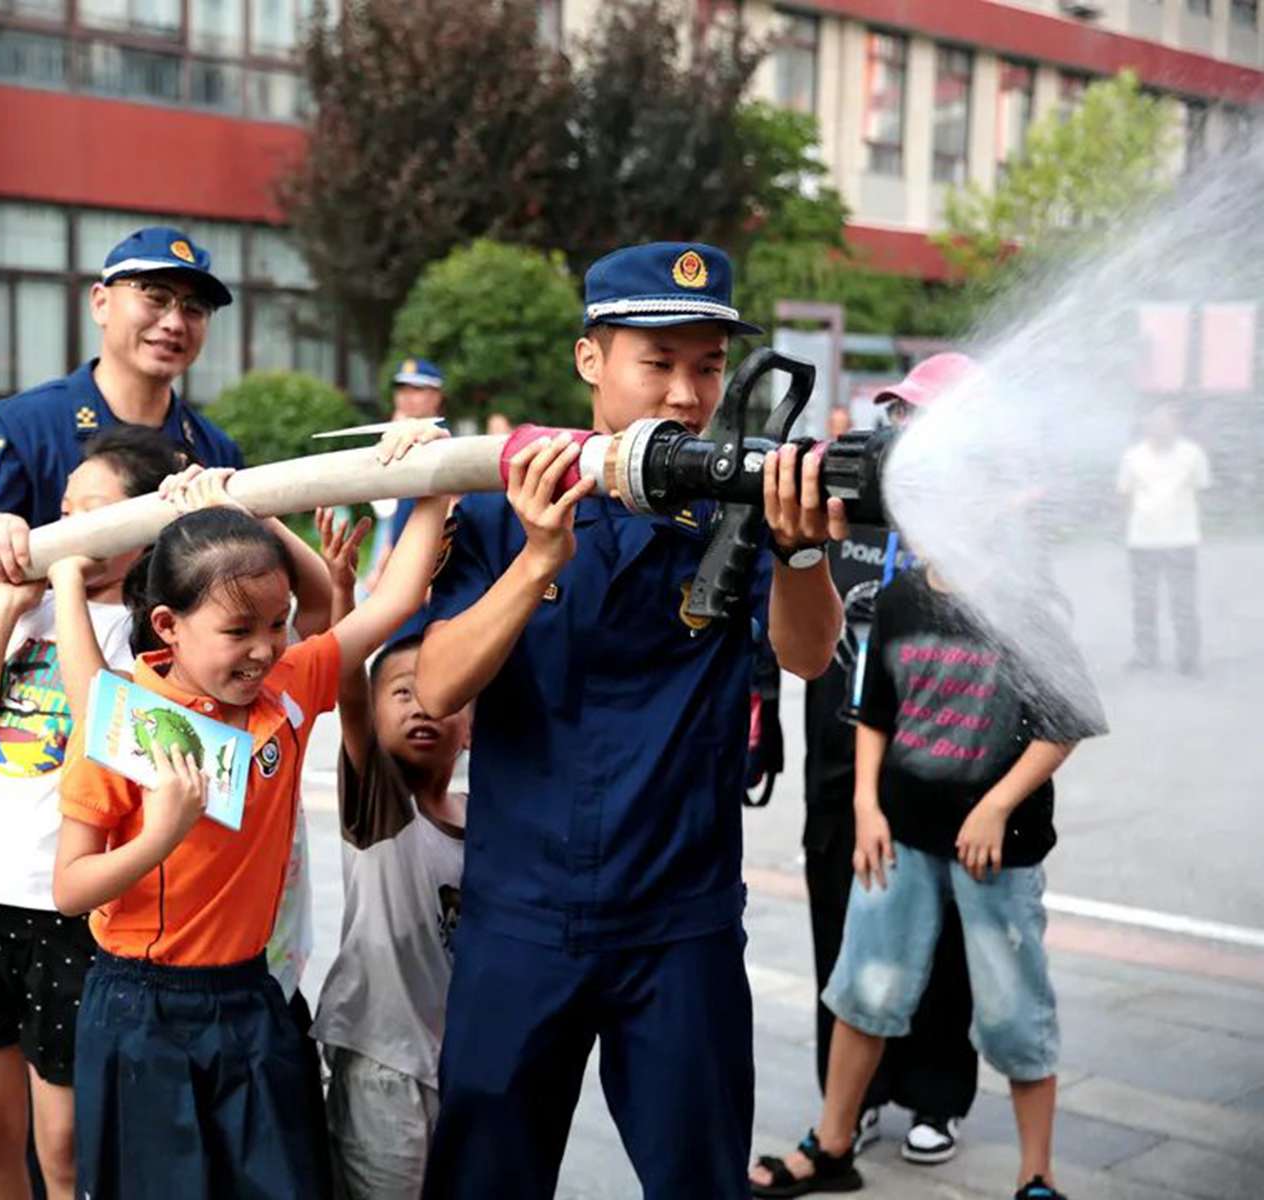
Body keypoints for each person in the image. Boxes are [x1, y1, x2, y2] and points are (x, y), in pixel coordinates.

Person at [407, 241, 846, 1197]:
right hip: (520, 915)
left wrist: (803, 555)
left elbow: (811, 656)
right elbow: (433, 688)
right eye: (660, 362)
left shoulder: (740, 498)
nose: (687, 393)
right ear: (590, 361)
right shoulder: (504, 500)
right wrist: (536, 560)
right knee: (485, 1176)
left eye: (709, 365)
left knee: (699, 1176)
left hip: (678, 920)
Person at [54, 428, 452, 1199]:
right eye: (238, 632)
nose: (266, 650)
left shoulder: (290, 689)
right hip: (141, 1007)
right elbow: (71, 889)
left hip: (251, 996)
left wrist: (431, 474)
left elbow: (397, 599)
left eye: (275, 626)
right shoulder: (123, 720)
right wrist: (161, 836)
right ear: (168, 626)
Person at [749, 558, 1106, 1200]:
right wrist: (866, 804)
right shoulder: (900, 598)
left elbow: (1066, 720)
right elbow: (875, 711)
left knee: (1013, 1013)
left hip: (998, 851)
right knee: (866, 991)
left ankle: (1037, 1176)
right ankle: (833, 1145)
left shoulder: (1023, 597)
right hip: (900, 837)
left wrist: (997, 807)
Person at [0, 429, 182, 1199]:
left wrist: (63, 584)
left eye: (90, 513)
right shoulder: (26, 616)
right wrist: (3, 611)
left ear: (140, 527)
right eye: (61, 510)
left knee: (65, 1148)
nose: (63, 526)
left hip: (68, 909)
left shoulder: (151, 634)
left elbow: (104, 721)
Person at [795, 356, 983, 1170]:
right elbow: (790, 592)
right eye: (897, 414)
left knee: (940, 934)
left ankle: (935, 1095)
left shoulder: (979, 531)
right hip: (840, 756)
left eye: (923, 417)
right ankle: (854, 1098)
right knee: (838, 924)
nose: (903, 433)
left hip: (938, 764)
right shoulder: (842, 500)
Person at [0, 227, 245, 587]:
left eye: (194, 309)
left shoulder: (214, 449)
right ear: (100, 303)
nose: (174, 323)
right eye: (156, 298)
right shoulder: (27, 425)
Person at [307, 507, 470, 1200]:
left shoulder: (480, 818)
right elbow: (348, 682)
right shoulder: (382, 807)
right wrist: (344, 596)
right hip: (381, 1061)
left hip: (454, 1061)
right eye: (401, 693)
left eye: (439, 692)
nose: (421, 706)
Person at [1117, 403, 1210, 675]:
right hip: (1143, 540)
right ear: (1146, 428)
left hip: (1181, 539)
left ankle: (1188, 657)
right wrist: (1129, 529)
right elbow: (1125, 495)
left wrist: (1190, 525)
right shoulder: (1133, 457)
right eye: (1154, 424)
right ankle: (1145, 654)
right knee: (1144, 600)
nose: (1160, 429)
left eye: (1166, 423)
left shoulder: (1191, 454)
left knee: (1184, 601)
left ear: (1176, 426)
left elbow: (1201, 490)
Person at [364, 359, 446, 592]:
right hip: (395, 537)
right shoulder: (398, 433)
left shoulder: (441, 440)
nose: (407, 396)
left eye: (417, 389)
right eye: (402, 389)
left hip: (427, 555)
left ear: (436, 396)